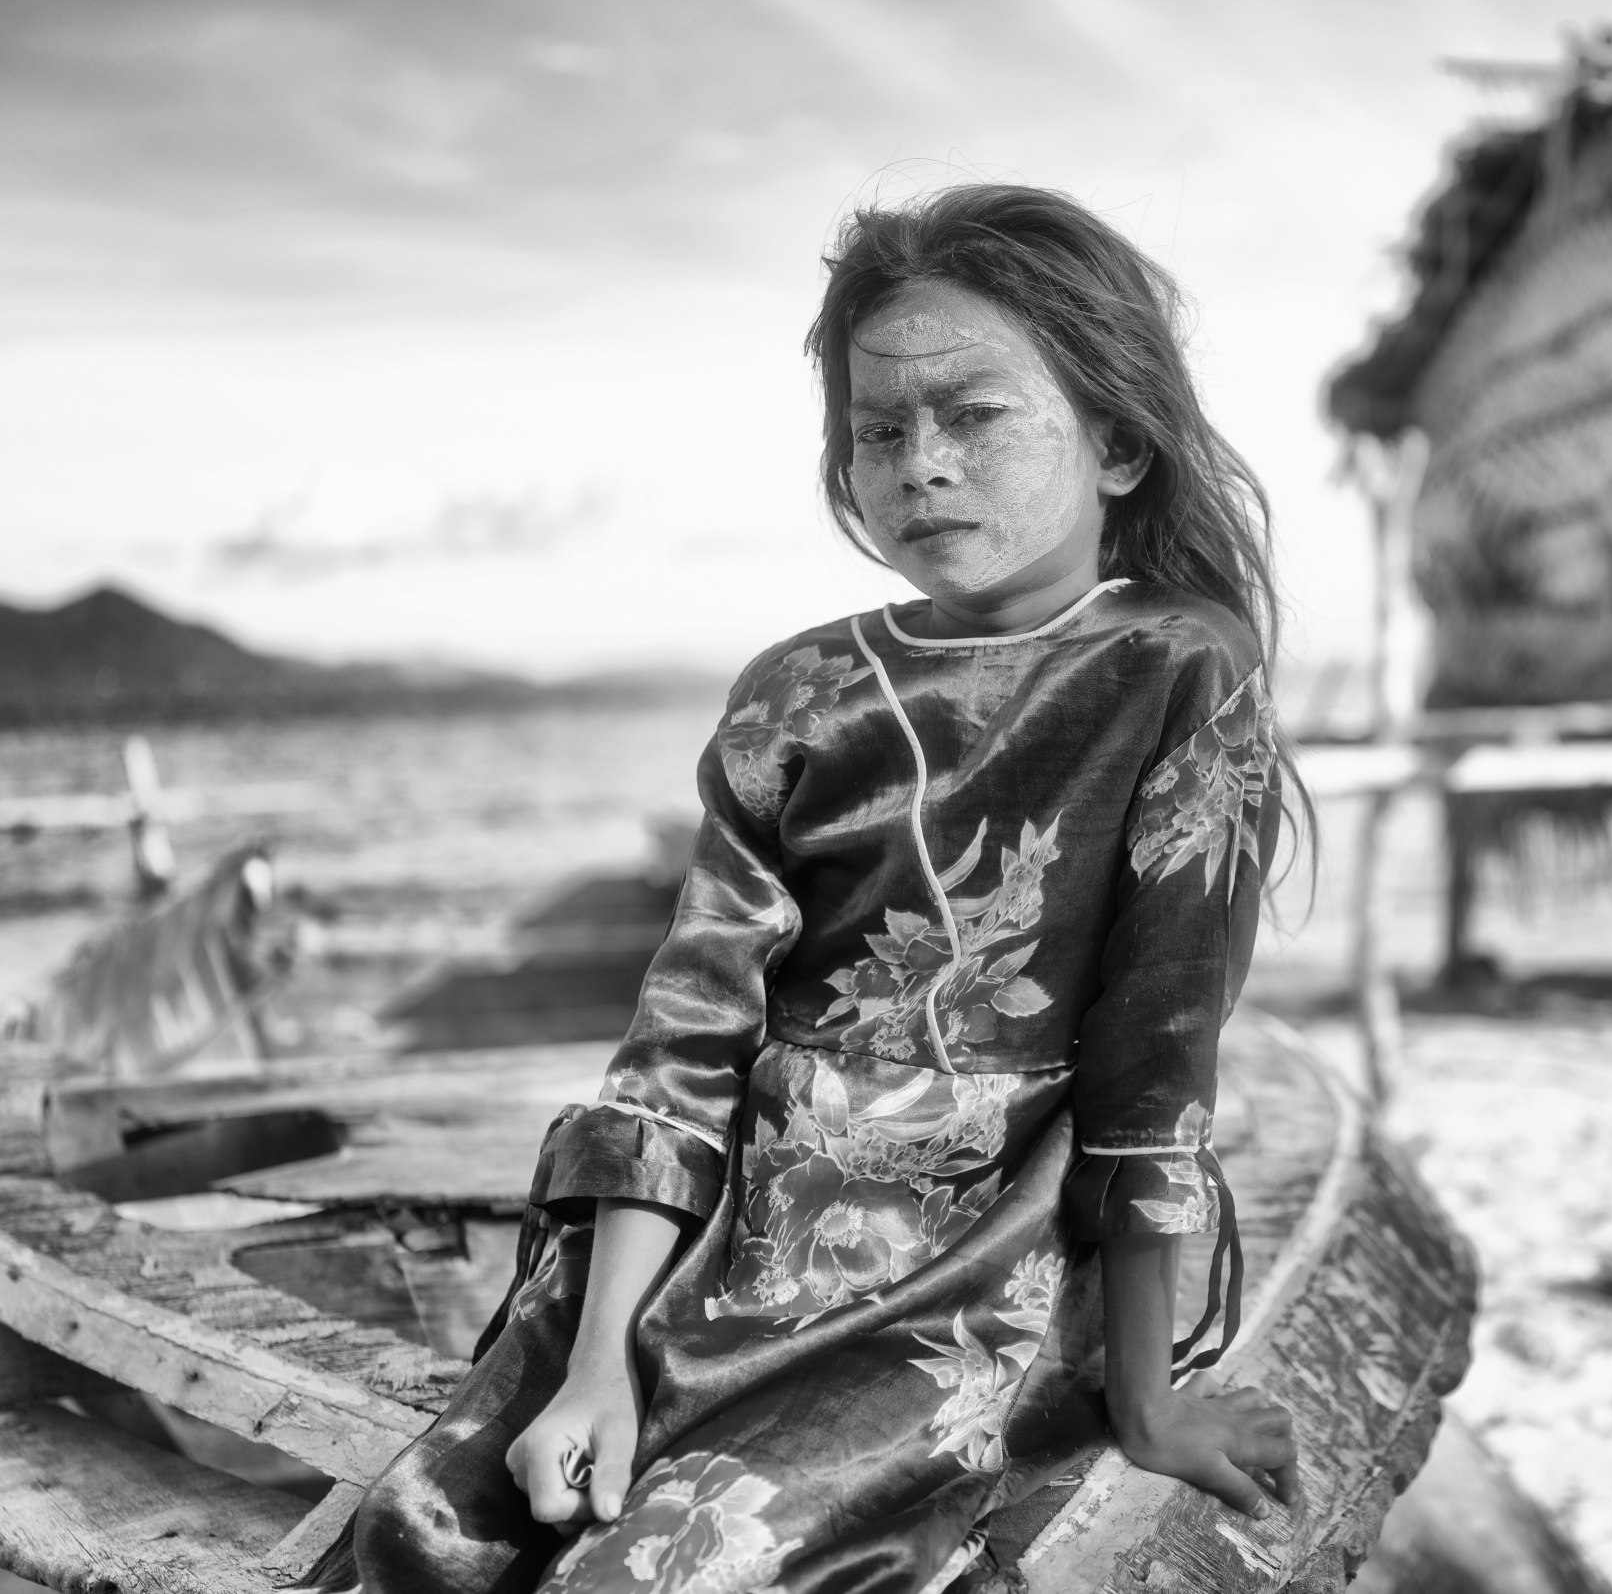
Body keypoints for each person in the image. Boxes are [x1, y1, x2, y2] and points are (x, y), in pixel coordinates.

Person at [337, 183, 1303, 1594]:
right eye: (879, 429)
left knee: (665, 1566)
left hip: (985, 1255)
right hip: (730, 1228)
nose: (921, 466)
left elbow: (1157, 1065)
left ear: (1117, 443)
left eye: (973, 416)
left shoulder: (1178, 668)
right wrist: (597, 1359)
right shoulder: (796, 692)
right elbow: (685, 1043)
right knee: (429, 1533)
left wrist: (1149, 1405)